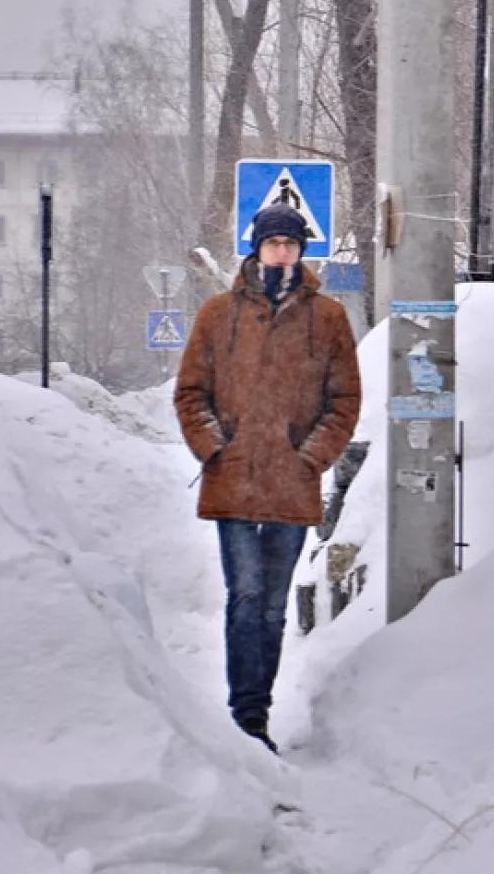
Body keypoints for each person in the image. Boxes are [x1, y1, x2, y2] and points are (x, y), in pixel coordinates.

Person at [175, 203, 361, 753]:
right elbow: (190, 393)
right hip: (232, 480)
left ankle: (259, 711)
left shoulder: (327, 318)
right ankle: (246, 716)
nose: (282, 251)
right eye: (272, 243)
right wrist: (213, 448)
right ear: (255, 248)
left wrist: (310, 457)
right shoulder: (216, 314)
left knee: (274, 605)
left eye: (291, 243)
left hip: (291, 483)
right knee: (245, 596)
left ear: (302, 250)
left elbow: (344, 400)